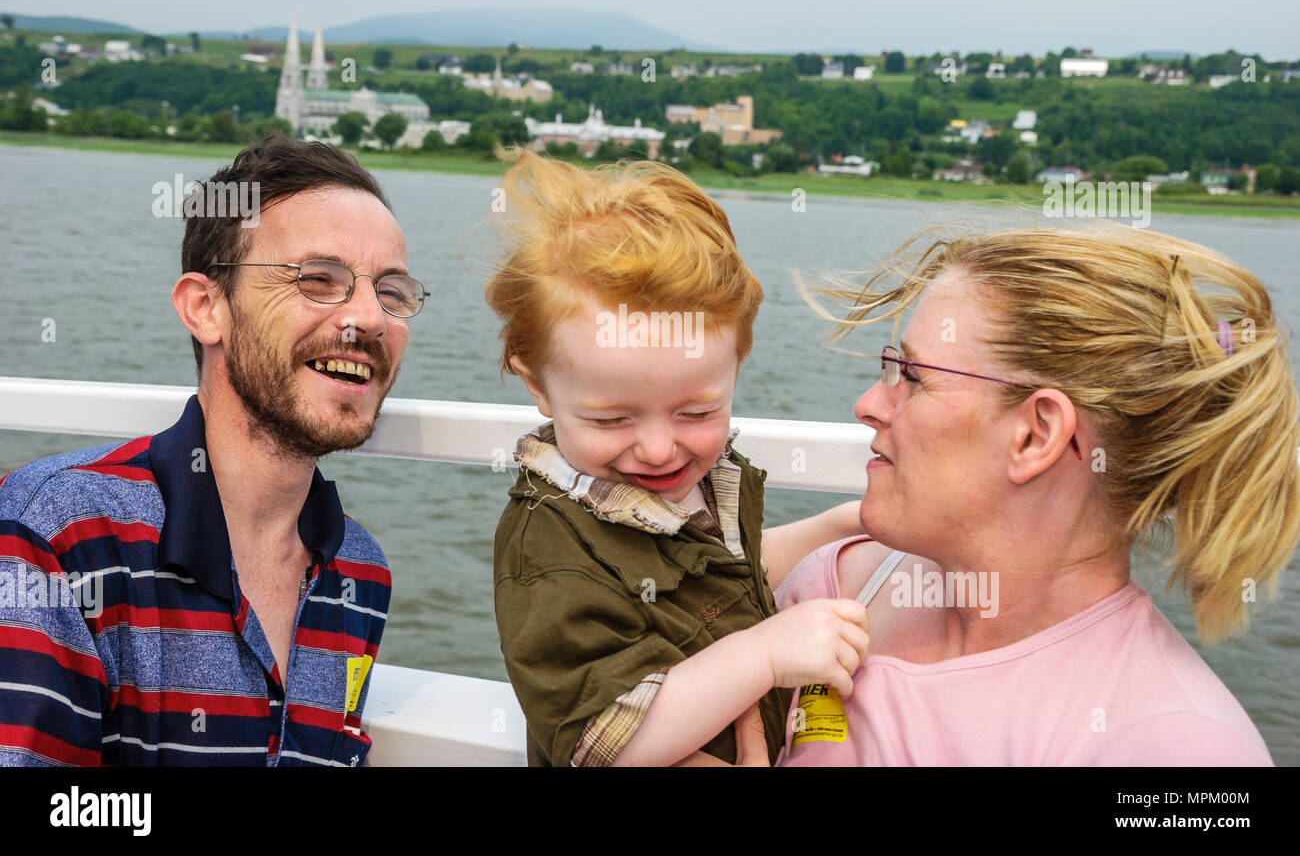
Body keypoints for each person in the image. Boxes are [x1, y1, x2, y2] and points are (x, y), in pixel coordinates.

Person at [775, 222, 1296, 765]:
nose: (868, 403)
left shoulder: (1178, 747)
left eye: (913, 376)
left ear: (1037, 434)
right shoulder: (833, 590)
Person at [0, 134, 424, 765]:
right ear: (205, 307)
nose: (369, 318)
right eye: (317, 279)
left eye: (391, 293)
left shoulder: (359, 572)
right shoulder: (64, 535)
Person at [486, 150, 869, 767]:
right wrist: (765, 656)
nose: (661, 449)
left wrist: (842, 525)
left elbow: (712, 582)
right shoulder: (551, 547)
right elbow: (597, 740)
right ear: (538, 386)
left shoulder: (698, 484)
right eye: (612, 419)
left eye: (697, 412)